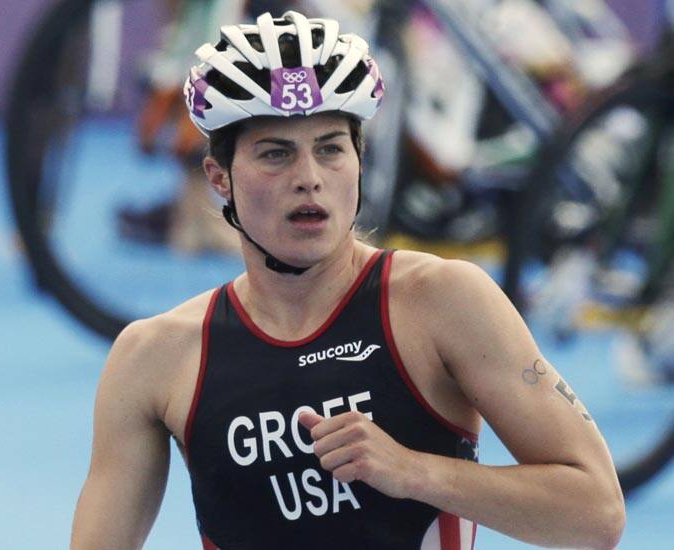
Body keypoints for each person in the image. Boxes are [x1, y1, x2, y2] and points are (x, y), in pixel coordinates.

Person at [71, 10, 625, 549]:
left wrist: (411, 471)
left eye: (331, 149)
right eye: (275, 154)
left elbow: (596, 513)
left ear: (360, 161)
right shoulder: (154, 358)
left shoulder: (443, 302)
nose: (309, 179)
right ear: (219, 178)